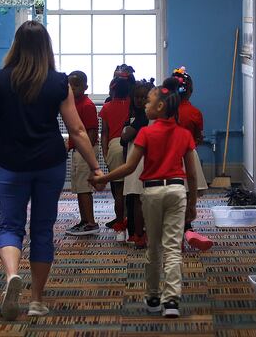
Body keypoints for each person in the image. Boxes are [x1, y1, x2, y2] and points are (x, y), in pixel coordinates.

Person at [0, 21, 101, 320]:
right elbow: (77, 130)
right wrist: (95, 166)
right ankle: (36, 299)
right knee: (43, 230)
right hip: (49, 164)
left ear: (16, 46)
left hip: (12, 163)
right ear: (46, 47)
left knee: (10, 226)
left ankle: (12, 276)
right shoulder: (59, 83)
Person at [90, 77, 199, 318]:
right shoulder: (183, 134)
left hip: (151, 192)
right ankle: (171, 301)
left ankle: (152, 296)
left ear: (160, 107)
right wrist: (192, 204)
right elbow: (191, 174)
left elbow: (129, 168)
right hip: (177, 191)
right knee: (172, 248)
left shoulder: (146, 134)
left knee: (154, 247)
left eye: (149, 102)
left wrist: (103, 179)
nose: (144, 105)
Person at [172, 66, 213, 251]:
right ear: (190, 91)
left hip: (169, 157)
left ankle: (175, 232)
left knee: (172, 195)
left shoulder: (164, 110)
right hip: (189, 154)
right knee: (189, 192)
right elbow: (198, 137)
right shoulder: (195, 113)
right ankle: (188, 228)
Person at [99, 64, 136, 241]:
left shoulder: (106, 107)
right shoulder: (134, 105)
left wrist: (105, 152)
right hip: (132, 146)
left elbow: (104, 133)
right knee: (134, 189)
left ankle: (120, 226)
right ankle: (134, 226)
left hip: (113, 147)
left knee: (118, 190)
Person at [65, 71, 101, 236]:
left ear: (85, 87)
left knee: (84, 188)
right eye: (70, 85)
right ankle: (84, 220)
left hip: (85, 152)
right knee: (80, 188)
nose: (73, 88)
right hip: (78, 150)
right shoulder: (72, 104)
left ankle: (91, 222)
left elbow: (92, 133)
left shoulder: (87, 105)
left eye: (76, 85)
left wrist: (85, 152)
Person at [121, 78, 155, 248]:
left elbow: (125, 138)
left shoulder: (142, 117)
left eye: (144, 98)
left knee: (138, 200)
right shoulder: (153, 115)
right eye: (137, 97)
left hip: (139, 161)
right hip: (146, 161)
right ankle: (142, 233)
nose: (140, 101)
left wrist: (126, 130)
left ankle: (139, 234)